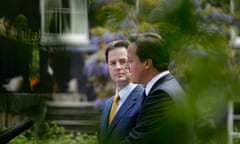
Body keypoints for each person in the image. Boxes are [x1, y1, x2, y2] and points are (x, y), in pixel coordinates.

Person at [122, 32, 194, 144]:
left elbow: (137, 141)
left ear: (147, 63)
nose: (126, 67)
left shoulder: (161, 95)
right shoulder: (168, 85)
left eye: (130, 61)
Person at [98, 40, 145, 144]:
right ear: (108, 66)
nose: (118, 67)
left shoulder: (145, 99)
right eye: (113, 63)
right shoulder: (108, 104)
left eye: (123, 61)